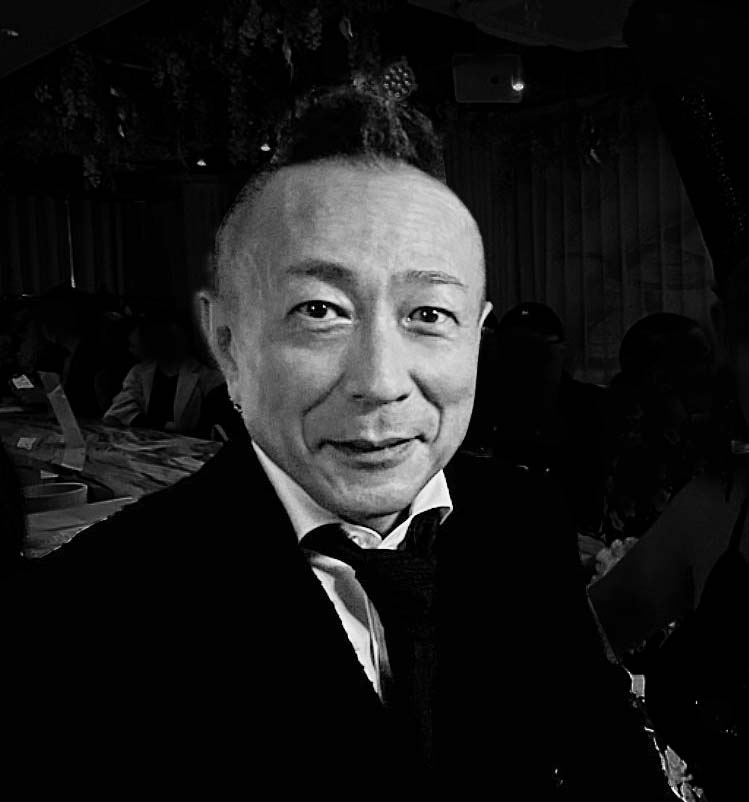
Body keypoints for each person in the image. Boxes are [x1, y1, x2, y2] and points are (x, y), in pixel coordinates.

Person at [2, 83, 671, 798]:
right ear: (228, 341)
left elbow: (606, 750)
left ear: (478, 339)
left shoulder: (520, 517)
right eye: (320, 310)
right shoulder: (97, 604)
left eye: (427, 314)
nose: (380, 382)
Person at [103, 313, 230, 438]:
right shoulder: (139, 373)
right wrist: (163, 425)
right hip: (147, 446)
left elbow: (211, 427)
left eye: (175, 337)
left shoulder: (206, 377)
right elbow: (119, 412)